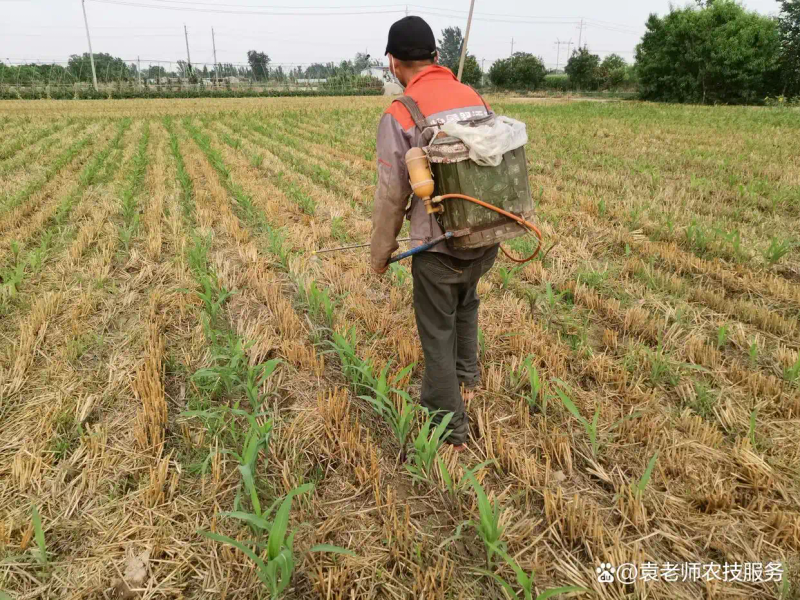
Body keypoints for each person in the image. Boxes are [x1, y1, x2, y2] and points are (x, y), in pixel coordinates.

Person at [370, 15, 499, 450]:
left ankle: (449, 428)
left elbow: (392, 193)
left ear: (392, 62)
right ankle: (468, 378)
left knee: (436, 328)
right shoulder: (474, 97)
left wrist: (380, 252)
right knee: (467, 299)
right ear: (436, 56)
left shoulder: (401, 112)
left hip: (437, 246)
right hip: (485, 235)